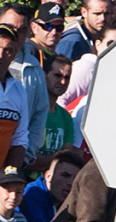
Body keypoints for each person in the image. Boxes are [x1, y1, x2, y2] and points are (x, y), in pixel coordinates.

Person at [2, 2, 47, 164]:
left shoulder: (34, 68)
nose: (14, 34)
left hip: (16, 162)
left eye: (21, 31)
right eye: (8, 27)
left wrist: (25, 158)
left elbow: (39, 117)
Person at [21, 146, 81, 222]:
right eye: (65, 175)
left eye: (75, 180)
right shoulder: (32, 193)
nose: (70, 183)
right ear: (48, 176)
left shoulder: (68, 200)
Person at [24, 53, 72, 176]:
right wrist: (55, 159)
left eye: (67, 77)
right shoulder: (30, 109)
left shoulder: (66, 117)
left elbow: (67, 159)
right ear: (44, 75)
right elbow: (25, 158)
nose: (63, 82)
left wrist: (45, 160)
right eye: (57, 75)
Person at [0, 23, 29, 169]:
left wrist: (9, 178)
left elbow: (20, 138)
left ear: (15, 53)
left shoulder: (18, 89)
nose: (0, 55)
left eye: (7, 50)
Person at [27, 3, 64, 74]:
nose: (54, 32)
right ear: (34, 27)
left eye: (59, 27)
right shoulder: (28, 51)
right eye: (48, 26)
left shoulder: (53, 56)